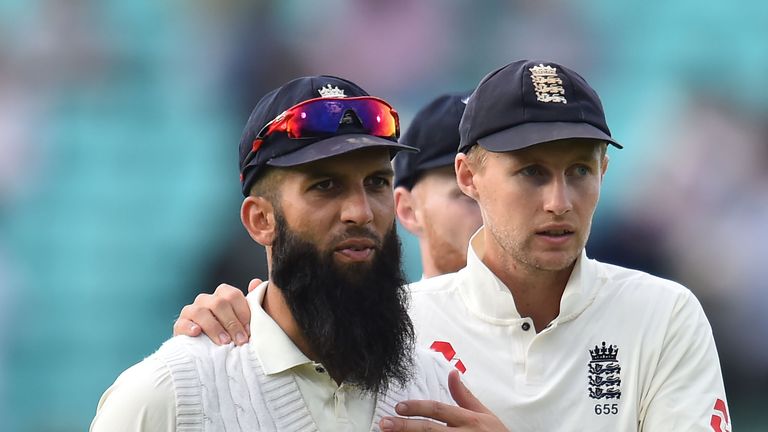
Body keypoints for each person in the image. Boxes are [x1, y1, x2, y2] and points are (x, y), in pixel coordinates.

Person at [175, 60, 732, 431]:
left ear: (606, 171)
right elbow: (272, 368)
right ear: (468, 176)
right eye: (532, 172)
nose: (560, 201)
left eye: (581, 171)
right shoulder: (392, 327)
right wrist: (233, 329)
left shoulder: (664, 315)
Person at [90, 75, 469, 431]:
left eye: (376, 183)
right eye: (325, 186)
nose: (361, 211)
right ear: (260, 220)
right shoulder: (170, 396)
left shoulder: (442, 389)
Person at [393, 91, 483, 278]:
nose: (495, 211)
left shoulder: (559, 306)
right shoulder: (400, 308)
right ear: (408, 210)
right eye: (467, 192)